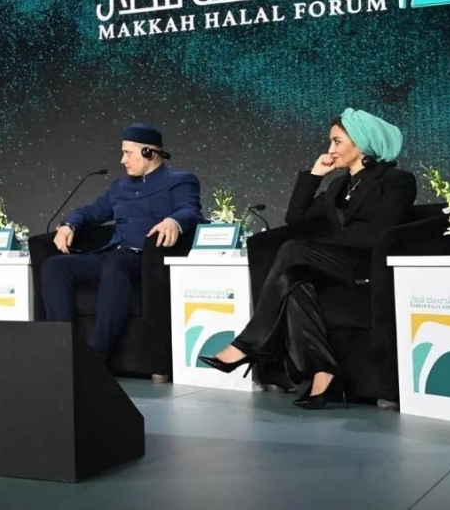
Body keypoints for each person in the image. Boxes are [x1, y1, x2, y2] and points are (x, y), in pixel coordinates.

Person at [200, 109, 416, 409]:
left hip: (369, 266)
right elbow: (296, 218)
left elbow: (382, 233)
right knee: (294, 282)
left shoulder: (397, 180)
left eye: (337, 142)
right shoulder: (337, 187)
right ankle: (323, 375)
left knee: (293, 250)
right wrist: (315, 176)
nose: (330, 149)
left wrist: (323, 247)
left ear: (362, 143)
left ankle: (248, 344)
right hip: (334, 265)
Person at [42, 123, 205, 367]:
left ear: (149, 153)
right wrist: (69, 225)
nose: (122, 160)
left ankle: (96, 357)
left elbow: (190, 211)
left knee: (115, 267)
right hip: (113, 254)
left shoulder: (180, 181)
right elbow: (90, 212)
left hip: (145, 260)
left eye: (128, 153)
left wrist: (173, 221)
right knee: (55, 266)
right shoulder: (119, 187)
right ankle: (63, 350)